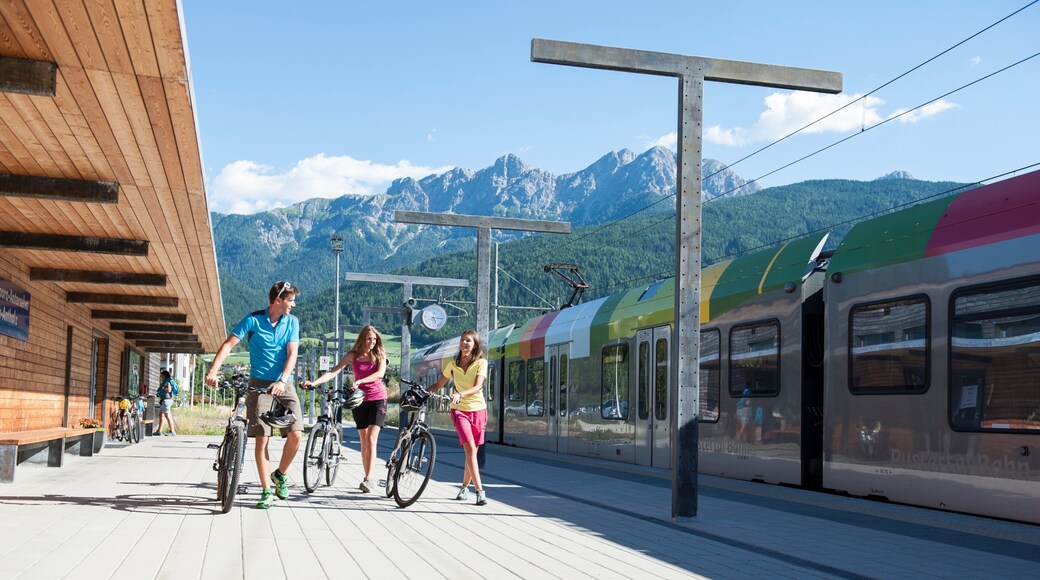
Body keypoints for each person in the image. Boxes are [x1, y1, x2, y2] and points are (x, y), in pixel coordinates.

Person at [205, 281, 303, 509]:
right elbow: (229, 345)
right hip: (259, 383)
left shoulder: (292, 323)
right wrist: (213, 370)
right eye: (290, 300)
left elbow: (292, 354)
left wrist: (282, 380)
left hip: (284, 382)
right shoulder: (253, 319)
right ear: (278, 300)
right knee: (262, 438)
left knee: (297, 434)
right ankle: (267, 490)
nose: (294, 304)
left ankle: (280, 474)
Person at [302, 325, 387, 493]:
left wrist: (360, 382)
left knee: (371, 439)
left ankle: (369, 479)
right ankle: (366, 474)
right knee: (363, 442)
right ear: (362, 339)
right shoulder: (352, 356)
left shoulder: (379, 355)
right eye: (369, 338)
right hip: (359, 401)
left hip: (378, 398)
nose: (372, 342)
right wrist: (314, 383)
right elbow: (333, 372)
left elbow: (380, 374)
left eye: (375, 339)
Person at [429, 329, 488, 506]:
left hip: (478, 410)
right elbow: (439, 385)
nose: (464, 343)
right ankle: (480, 491)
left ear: (475, 344)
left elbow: (478, 387)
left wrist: (460, 393)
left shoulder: (481, 363)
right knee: (469, 449)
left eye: (468, 341)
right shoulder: (453, 364)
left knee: (472, 453)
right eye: (462, 340)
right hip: (459, 410)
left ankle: (463, 488)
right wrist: (423, 392)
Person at [155, 370, 177, 436]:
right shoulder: (166, 381)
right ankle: (159, 431)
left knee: (167, 415)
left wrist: (163, 388)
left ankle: (172, 431)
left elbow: (169, 390)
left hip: (167, 400)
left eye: (161, 375)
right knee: (161, 415)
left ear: (164, 376)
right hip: (164, 400)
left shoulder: (168, 381)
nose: (161, 377)